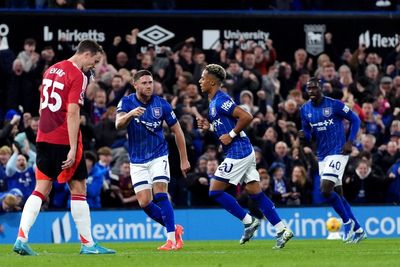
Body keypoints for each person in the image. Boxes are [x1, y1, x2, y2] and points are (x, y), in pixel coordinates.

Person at [12, 40, 115, 256]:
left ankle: (21, 238)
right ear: (86, 54)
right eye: (94, 61)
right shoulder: (77, 75)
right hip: (63, 139)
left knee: (41, 189)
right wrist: (71, 146)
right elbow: (72, 112)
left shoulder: (51, 69)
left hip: (43, 137)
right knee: (79, 188)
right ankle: (88, 244)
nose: (93, 67)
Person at [196, 64, 293, 249]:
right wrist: (210, 127)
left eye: (203, 78)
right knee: (255, 193)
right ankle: (282, 230)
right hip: (242, 150)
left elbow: (246, 117)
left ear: (212, 81)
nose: (200, 81)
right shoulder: (212, 103)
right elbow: (224, 127)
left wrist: (231, 135)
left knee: (215, 191)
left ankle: (249, 221)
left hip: (238, 151)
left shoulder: (221, 99)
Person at [115, 70, 190, 251]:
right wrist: (130, 114)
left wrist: (184, 159)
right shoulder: (126, 102)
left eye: (151, 82)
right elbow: (118, 124)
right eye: (145, 83)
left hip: (159, 155)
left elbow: (178, 131)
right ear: (135, 85)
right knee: (144, 202)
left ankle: (171, 240)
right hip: (137, 159)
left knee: (160, 192)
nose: (149, 86)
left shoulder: (161, 104)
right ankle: (175, 229)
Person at [298, 77, 367, 243]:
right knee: (337, 195)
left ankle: (347, 222)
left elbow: (355, 119)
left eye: (314, 88)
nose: (312, 92)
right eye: (309, 89)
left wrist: (350, 141)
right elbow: (308, 132)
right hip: (322, 155)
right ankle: (358, 229)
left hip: (338, 151)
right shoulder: (305, 109)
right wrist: (303, 136)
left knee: (325, 190)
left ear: (321, 88)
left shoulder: (334, 104)